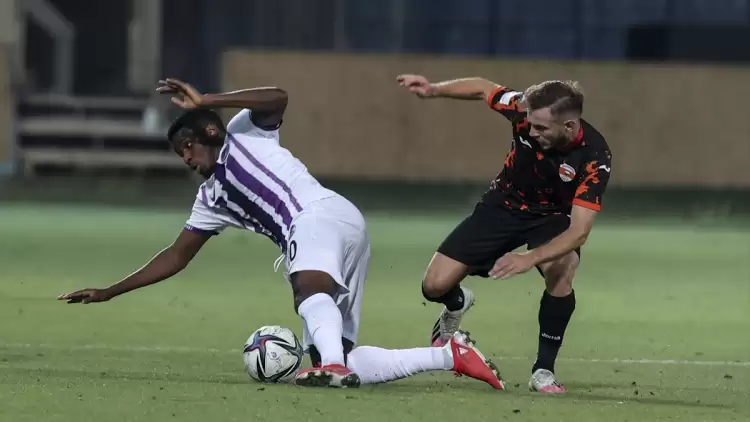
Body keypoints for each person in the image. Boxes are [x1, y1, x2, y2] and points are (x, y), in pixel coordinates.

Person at [57, 78, 505, 390]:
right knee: (341, 356)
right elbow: (176, 255)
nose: (186, 158)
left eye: (187, 147)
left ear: (208, 130)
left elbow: (278, 97)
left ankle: (329, 363)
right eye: (179, 154)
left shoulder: (242, 134)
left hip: (316, 215)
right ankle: (450, 356)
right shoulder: (210, 200)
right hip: (340, 229)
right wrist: (111, 291)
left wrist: (208, 98)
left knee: (307, 291)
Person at [396, 74, 613, 393]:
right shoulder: (523, 109)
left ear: (568, 126)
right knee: (434, 286)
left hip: (553, 217)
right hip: (504, 204)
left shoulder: (595, 157)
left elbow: (579, 231)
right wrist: (433, 91)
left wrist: (530, 258)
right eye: (530, 123)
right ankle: (457, 303)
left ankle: (543, 370)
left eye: (541, 128)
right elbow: (483, 87)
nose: (531, 130)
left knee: (563, 268)